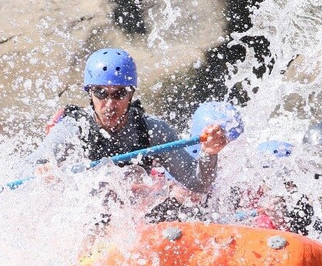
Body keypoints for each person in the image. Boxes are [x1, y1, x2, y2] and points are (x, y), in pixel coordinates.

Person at [26, 48, 230, 203]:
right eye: (100, 93)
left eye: (119, 94)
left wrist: (209, 154)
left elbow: (198, 184)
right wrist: (39, 172)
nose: (109, 104)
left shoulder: (152, 131)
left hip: (134, 215)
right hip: (88, 212)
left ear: (131, 94)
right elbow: (24, 168)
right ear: (89, 93)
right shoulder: (74, 129)